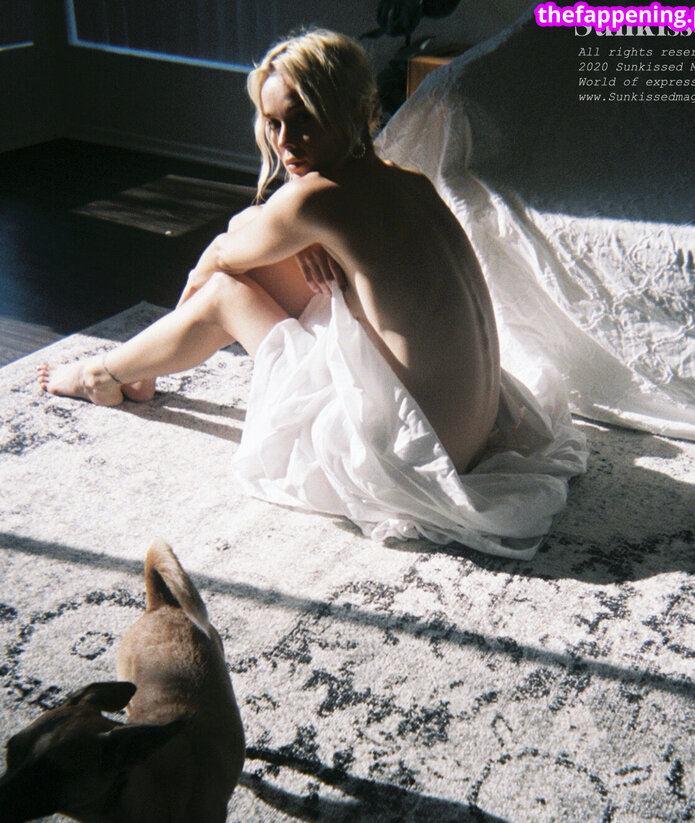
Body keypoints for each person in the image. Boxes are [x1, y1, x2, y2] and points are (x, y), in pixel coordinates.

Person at [38, 29, 585, 556]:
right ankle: (142, 369)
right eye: (273, 122)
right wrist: (303, 236)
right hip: (481, 428)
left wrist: (279, 238)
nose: (284, 141)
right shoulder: (408, 181)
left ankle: (104, 374)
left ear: (355, 111)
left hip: (417, 456)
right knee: (291, 273)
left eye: (303, 119)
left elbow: (223, 253)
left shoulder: (313, 201)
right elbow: (262, 231)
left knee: (223, 291)